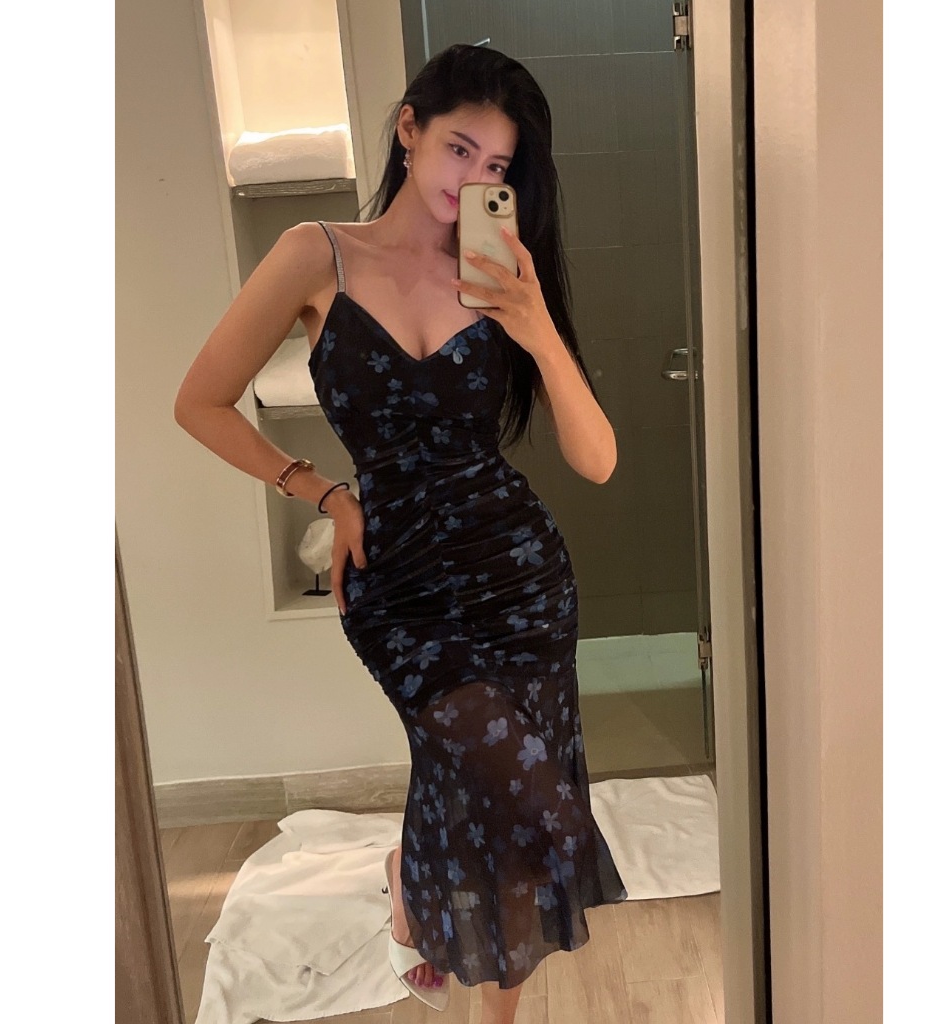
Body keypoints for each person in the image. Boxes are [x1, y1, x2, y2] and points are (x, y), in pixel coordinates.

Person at [174, 42, 628, 1024]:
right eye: (459, 149)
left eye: (496, 166)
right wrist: (322, 493)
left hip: (519, 577)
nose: (472, 180)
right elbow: (200, 400)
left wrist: (535, 324)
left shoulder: (501, 271)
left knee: (489, 796)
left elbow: (596, 458)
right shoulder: (316, 254)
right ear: (409, 130)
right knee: (531, 801)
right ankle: (410, 878)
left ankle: (485, 1000)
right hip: (397, 585)